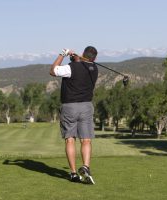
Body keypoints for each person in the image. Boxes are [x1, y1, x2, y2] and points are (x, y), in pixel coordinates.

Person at [50, 46, 98, 184]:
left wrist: (62, 55)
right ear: (94, 58)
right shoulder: (94, 68)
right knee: (86, 140)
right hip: (86, 106)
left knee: (70, 139)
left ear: (83, 54)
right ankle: (86, 166)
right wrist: (75, 57)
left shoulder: (71, 68)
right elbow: (83, 64)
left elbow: (53, 71)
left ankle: (73, 174)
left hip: (69, 106)